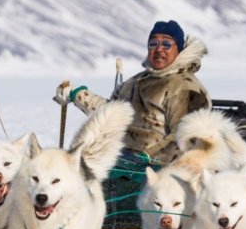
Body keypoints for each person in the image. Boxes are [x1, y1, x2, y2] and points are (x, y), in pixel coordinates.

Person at [54, 20, 211, 165]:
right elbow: (112, 113)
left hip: (156, 173)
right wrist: (77, 94)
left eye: (166, 44)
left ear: (179, 49)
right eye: (153, 43)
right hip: (120, 162)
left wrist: (146, 158)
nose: (159, 49)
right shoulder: (137, 81)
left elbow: (186, 138)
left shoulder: (185, 87)